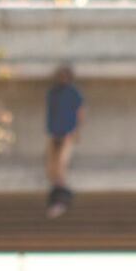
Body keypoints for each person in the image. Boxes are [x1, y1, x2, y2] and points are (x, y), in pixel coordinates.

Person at [44, 64, 84, 219]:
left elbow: (80, 112)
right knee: (51, 168)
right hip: (54, 132)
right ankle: (57, 198)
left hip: (68, 133)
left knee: (61, 165)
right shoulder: (53, 93)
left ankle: (61, 200)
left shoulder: (73, 93)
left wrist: (76, 131)